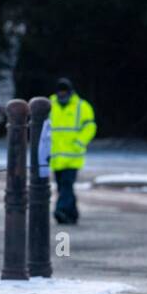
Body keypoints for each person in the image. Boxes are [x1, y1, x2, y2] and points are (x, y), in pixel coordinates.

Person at [49, 77, 96, 224]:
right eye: (60, 93)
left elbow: (90, 127)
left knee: (66, 185)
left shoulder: (82, 106)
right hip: (56, 157)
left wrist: (79, 142)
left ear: (70, 92)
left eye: (64, 92)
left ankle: (60, 210)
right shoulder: (50, 105)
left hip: (73, 156)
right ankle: (72, 215)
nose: (62, 95)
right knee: (63, 187)